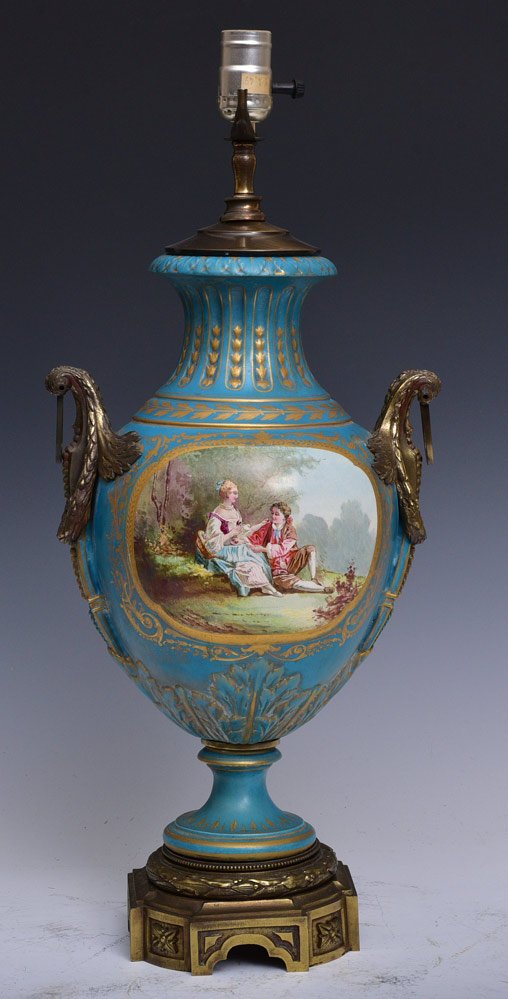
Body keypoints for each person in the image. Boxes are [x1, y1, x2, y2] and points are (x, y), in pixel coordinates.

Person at [196, 480, 282, 597]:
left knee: (254, 559)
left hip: (236, 548)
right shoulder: (217, 515)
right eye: (234, 493)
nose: (237, 496)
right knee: (247, 561)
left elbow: (241, 532)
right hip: (223, 550)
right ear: (226, 494)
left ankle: (266, 587)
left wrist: (248, 532)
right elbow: (212, 543)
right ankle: (268, 588)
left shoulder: (235, 510)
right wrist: (231, 534)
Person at [248, 502, 333, 593]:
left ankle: (313, 579)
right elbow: (254, 538)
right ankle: (322, 589)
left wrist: (263, 549)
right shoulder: (268, 527)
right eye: (272, 513)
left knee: (310, 549)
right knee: (288, 581)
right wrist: (249, 542)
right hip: (276, 566)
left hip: (291, 562)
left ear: (284, 517)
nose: (273, 516)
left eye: (277, 514)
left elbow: (282, 549)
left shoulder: (290, 529)